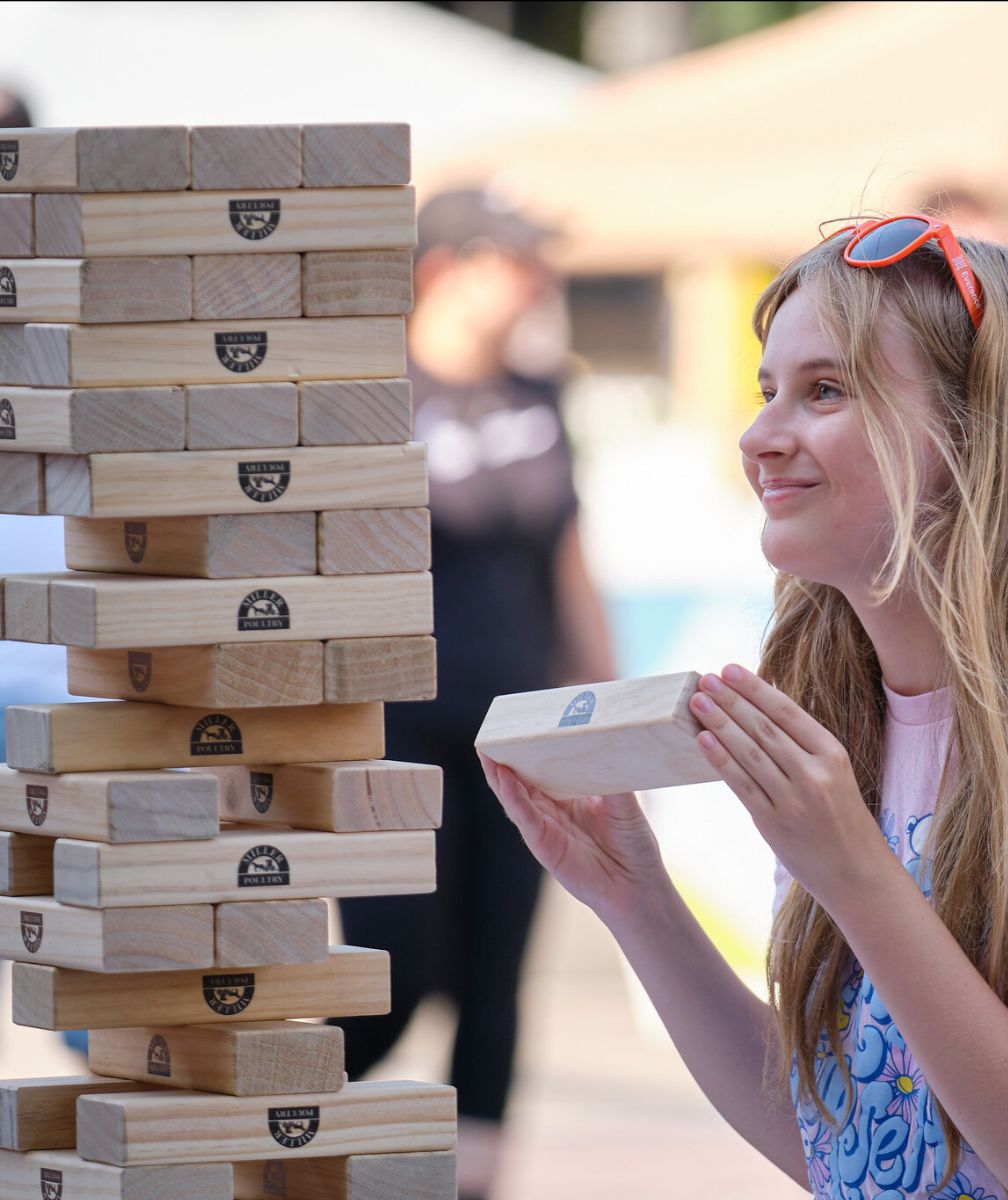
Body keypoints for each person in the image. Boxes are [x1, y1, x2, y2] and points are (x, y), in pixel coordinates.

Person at [480, 214, 1008, 1197]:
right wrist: (635, 901)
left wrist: (856, 874)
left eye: (824, 390)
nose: (758, 438)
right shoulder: (843, 720)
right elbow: (841, 1145)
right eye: (765, 390)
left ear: (976, 432)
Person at [331, 187, 615, 1200]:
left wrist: (613, 720)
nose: (538, 278)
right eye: (516, 258)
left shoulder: (541, 392)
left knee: (498, 976)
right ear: (443, 268)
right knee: (396, 971)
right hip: (395, 735)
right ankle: (259, 1126)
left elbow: (569, 563)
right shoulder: (369, 393)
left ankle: (476, 1181)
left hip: (519, 731)